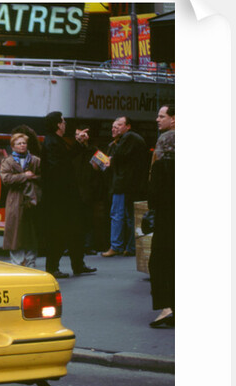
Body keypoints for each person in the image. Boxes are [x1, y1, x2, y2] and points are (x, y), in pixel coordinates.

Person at [40, 111, 97, 279]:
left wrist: (79, 143)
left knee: (74, 230)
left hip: (64, 196)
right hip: (59, 197)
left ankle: (78, 264)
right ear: (58, 124)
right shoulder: (52, 143)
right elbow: (59, 167)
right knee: (59, 232)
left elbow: (66, 158)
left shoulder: (55, 141)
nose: (65, 124)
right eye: (63, 121)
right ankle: (53, 267)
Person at [101, 116, 149, 257]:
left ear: (128, 126)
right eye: (113, 126)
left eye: (119, 125)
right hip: (131, 184)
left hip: (122, 184)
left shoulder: (128, 139)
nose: (115, 128)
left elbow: (116, 159)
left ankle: (116, 246)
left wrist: (110, 159)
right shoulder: (126, 140)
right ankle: (130, 246)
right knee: (129, 216)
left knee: (117, 215)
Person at [0, 133, 41, 267]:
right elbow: (5, 179)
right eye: (19, 143)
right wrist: (25, 176)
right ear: (13, 146)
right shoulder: (8, 161)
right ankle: (16, 264)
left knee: (31, 234)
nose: (22, 145)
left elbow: (43, 176)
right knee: (15, 234)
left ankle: (31, 264)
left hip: (32, 201)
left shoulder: (35, 160)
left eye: (24, 143)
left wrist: (33, 178)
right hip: (15, 201)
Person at [147, 130, 175, 328]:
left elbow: (153, 199)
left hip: (166, 221)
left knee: (158, 263)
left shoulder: (160, 167)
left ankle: (167, 307)